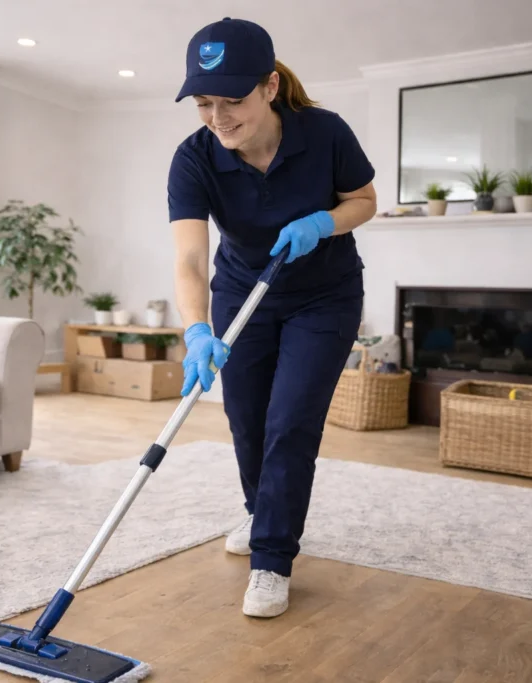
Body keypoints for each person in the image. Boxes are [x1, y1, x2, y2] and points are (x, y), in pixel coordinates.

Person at [167, 17, 378, 618]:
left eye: (231, 99)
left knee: (291, 421)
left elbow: (364, 200)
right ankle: (262, 509)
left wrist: (322, 223)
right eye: (203, 102)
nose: (217, 116)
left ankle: (271, 558)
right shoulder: (195, 159)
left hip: (324, 294)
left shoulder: (326, 133)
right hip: (243, 292)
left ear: (269, 86)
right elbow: (188, 254)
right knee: (246, 418)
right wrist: (196, 328)